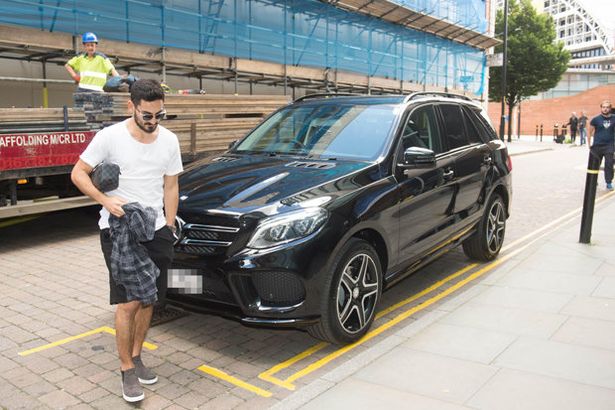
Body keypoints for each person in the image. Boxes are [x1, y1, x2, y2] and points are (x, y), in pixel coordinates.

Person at [71, 79, 183, 402]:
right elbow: (78, 173)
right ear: (130, 107)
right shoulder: (110, 137)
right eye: (147, 115)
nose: (153, 122)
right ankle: (125, 369)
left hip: (156, 228)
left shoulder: (169, 141)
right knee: (129, 301)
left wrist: (170, 225)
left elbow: (171, 185)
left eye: (159, 115)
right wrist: (105, 201)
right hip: (117, 229)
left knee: (149, 299)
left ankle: (136, 355)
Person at [588, 100, 615, 191]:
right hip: (597, 146)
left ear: (610, 108)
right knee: (595, 165)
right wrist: (589, 144)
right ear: (601, 108)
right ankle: (593, 181)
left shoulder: (614, 118)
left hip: (609, 146)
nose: (605, 109)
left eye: (607, 107)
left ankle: (608, 182)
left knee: (609, 164)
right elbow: (589, 132)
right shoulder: (596, 119)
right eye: (603, 107)